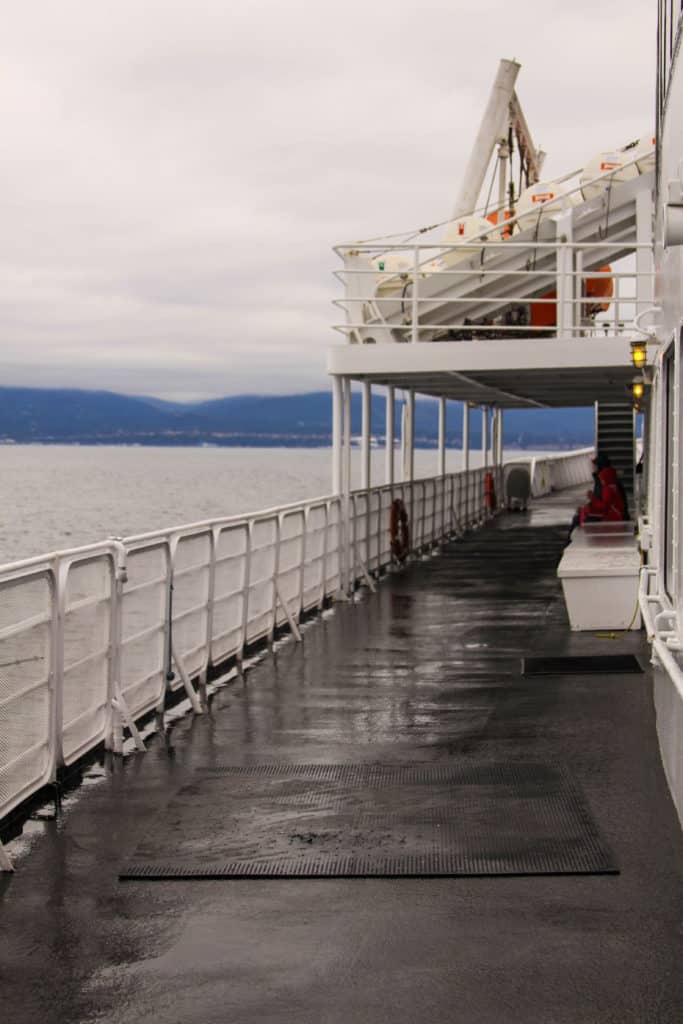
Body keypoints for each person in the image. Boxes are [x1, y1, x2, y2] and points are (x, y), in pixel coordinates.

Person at [567, 452, 626, 540]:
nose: (592, 467)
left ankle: (572, 543)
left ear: (599, 466)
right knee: (579, 517)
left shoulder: (605, 482)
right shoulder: (610, 479)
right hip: (613, 514)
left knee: (578, 519)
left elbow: (603, 506)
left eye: (594, 465)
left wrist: (589, 503)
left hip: (610, 516)